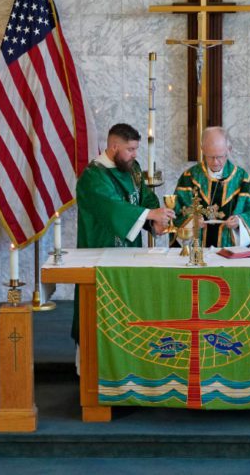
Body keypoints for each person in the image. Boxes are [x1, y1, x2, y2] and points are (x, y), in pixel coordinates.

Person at [73, 123, 175, 344]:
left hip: (130, 254)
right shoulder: (93, 177)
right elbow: (113, 209)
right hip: (100, 253)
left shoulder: (132, 168)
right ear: (113, 146)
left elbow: (143, 197)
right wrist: (150, 214)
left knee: (128, 310)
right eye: (130, 149)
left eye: (136, 149)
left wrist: (154, 223)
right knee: (100, 313)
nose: (135, 154)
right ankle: (92, 368)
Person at [173, 126, 250, 247]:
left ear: (229, 149)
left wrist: (240, 222)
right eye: (210, 157)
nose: (215, 162)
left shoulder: (243, 180)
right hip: (197, 252)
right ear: (202, 149)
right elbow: (176, 214)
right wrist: (191, 222)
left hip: (231, 252)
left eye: (220, 156)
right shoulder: (189, 178)